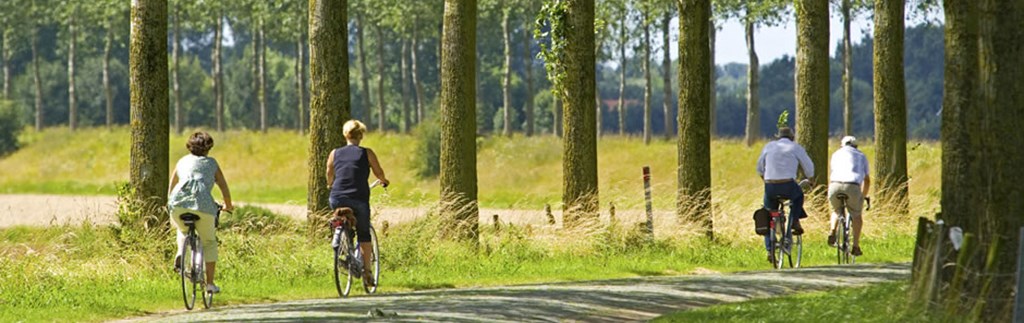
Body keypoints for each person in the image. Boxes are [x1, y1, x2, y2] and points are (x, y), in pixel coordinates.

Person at [168, 131, 233, 294]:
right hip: (202, 205)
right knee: (209, 242)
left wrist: (169, 202)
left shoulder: (181, 161)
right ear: (208, 148)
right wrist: (228, 205)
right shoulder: (211, 163)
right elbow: (223, 186)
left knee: (182, 230)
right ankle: (210, 284)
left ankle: (181, 252)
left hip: (178, 203)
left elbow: (171, 185)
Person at [326, 120, 389, 286]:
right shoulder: (366, 153)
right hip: (359, 197)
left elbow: (329, 173)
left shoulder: (334, 153)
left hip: (337, 197)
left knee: (343, 221)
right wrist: (383, 180)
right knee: (364, 233)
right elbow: (379, 172)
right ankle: (367, 272)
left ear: (345, 135)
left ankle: (345, 250)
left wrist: (330, 184)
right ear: (361, 135)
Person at [756, 127, 814, 263]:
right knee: (798, 196)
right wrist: (811, 179)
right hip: (788, 184)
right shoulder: (795, 147)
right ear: (792, 137)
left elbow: (759, 167)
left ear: (778, 137)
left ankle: (769, 248)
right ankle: (794, 220)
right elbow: (808, 166)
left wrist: (765, 179)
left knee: (768, 213)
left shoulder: (769, 146)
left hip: (770, 186)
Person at [827, 136, 870, 256]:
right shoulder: (861, 156)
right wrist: (863, 195)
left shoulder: (836, 154)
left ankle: (832, 231)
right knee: (856, 215)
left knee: (836, 210)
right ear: (856, 146)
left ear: (842, 145)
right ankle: (855, 246)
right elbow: (867, 180)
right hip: (852, 185)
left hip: (834, 185)